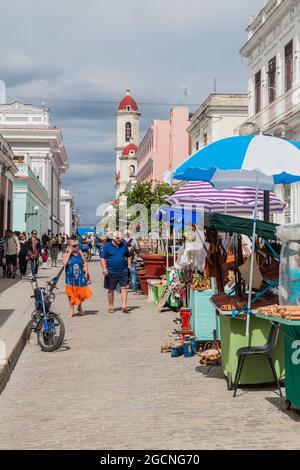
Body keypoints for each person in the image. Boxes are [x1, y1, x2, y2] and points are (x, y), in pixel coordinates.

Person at [100, 231, 131, 313]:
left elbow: (129, 256)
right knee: (111, 290)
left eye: (120, 237)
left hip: (123, 271)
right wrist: (104, 268)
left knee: (124, 288)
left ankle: (124, 305)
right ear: (113, 238)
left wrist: (128, 265)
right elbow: (102, 258)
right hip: (111, 271)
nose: (119, 239)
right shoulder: (107, 246)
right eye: (118, 238)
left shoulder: (123, 245)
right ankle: (111, 306)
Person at [63, 239, 92, 317]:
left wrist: (86, 271)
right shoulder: (66, 254)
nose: (76, 247)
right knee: (70, 294)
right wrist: (69, 253)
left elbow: (84, 262)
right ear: (70, 246)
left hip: (80, 276)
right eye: (74, 246)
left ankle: (79, 307)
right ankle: (71, 311)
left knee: (81, 294)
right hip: (70, 278)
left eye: (77, 245)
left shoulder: (80, 252)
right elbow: (65, 263)